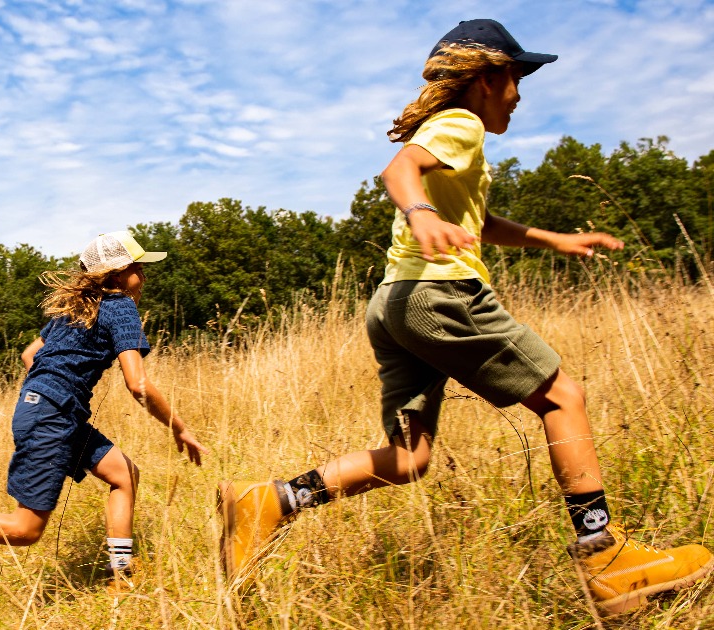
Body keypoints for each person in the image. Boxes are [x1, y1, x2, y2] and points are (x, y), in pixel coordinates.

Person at [217, 19, 713, 615]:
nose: (522, 92)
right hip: (442, 295)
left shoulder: (454, 133)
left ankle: (269, 501)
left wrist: (554, 239)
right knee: (564, 399)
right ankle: (604, 555)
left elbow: (478, 222)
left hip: (395, 301)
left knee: (408, 458)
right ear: (487, 77)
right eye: (518, 75)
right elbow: (398, 171)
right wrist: (421, 212)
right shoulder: (461, 123)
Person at [0, 230, 208, 596]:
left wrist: (47, 393)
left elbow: (31, 355)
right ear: (119, 273)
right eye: (139, 267)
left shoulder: (76, 309)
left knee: (124, 475)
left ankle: (120, 576)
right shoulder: (121, 305)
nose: (145, 275)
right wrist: (178, 427)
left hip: (50, 410)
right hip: (52, 415)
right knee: (25, 529)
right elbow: (137, 384)